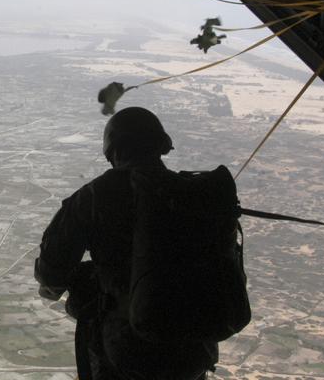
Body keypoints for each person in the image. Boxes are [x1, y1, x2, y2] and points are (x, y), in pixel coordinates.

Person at [34, 107, 218, 380]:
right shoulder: (191, 192)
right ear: (160, 145)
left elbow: (51, 274)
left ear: (113, 150)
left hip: (126, 352)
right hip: (193, 351)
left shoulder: (94, 197)